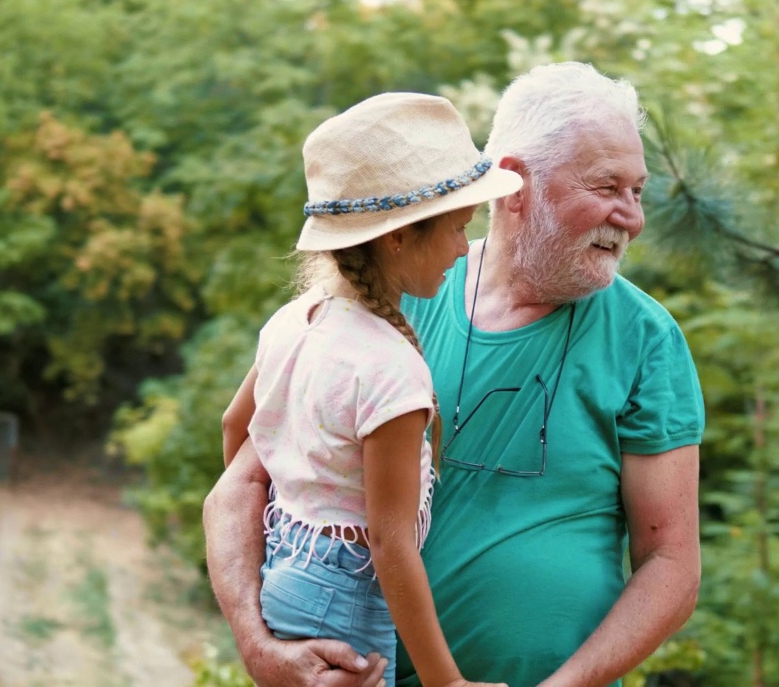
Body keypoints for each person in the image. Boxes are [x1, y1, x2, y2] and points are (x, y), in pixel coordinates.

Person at [206, 62, 704, 687]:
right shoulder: (384, 293)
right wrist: (262, 648)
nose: (631, 217)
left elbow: (671, 565)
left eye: (638, 191)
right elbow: (239, 484)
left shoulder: (647, 340)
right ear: (517, 185)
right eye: (607, 188)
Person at [218, 92, 524, 687]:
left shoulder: (295, 320)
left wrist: (287, 542)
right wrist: (449, 683)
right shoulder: (391, 368)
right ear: (398, 238)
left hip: (291, 571)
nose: (466, 250)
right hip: (349, 601)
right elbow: (390, 542)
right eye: (459, 228)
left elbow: (237, 428)